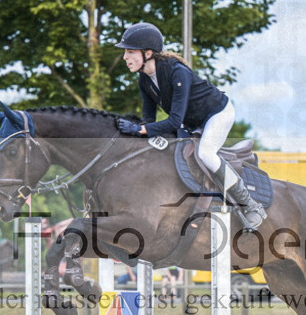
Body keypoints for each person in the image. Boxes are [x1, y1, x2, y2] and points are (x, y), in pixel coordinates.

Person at [114, 22, 266, 230]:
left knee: (205, 154)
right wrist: (135, 130)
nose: (125, 57)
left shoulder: (177, 73)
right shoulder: (144, 79)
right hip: (191, 121)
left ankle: (250, 204)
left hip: (217, 113)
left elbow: (174, 121)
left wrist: (141, 130)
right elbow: (148, 121)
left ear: (148, 53)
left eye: (130, 52)